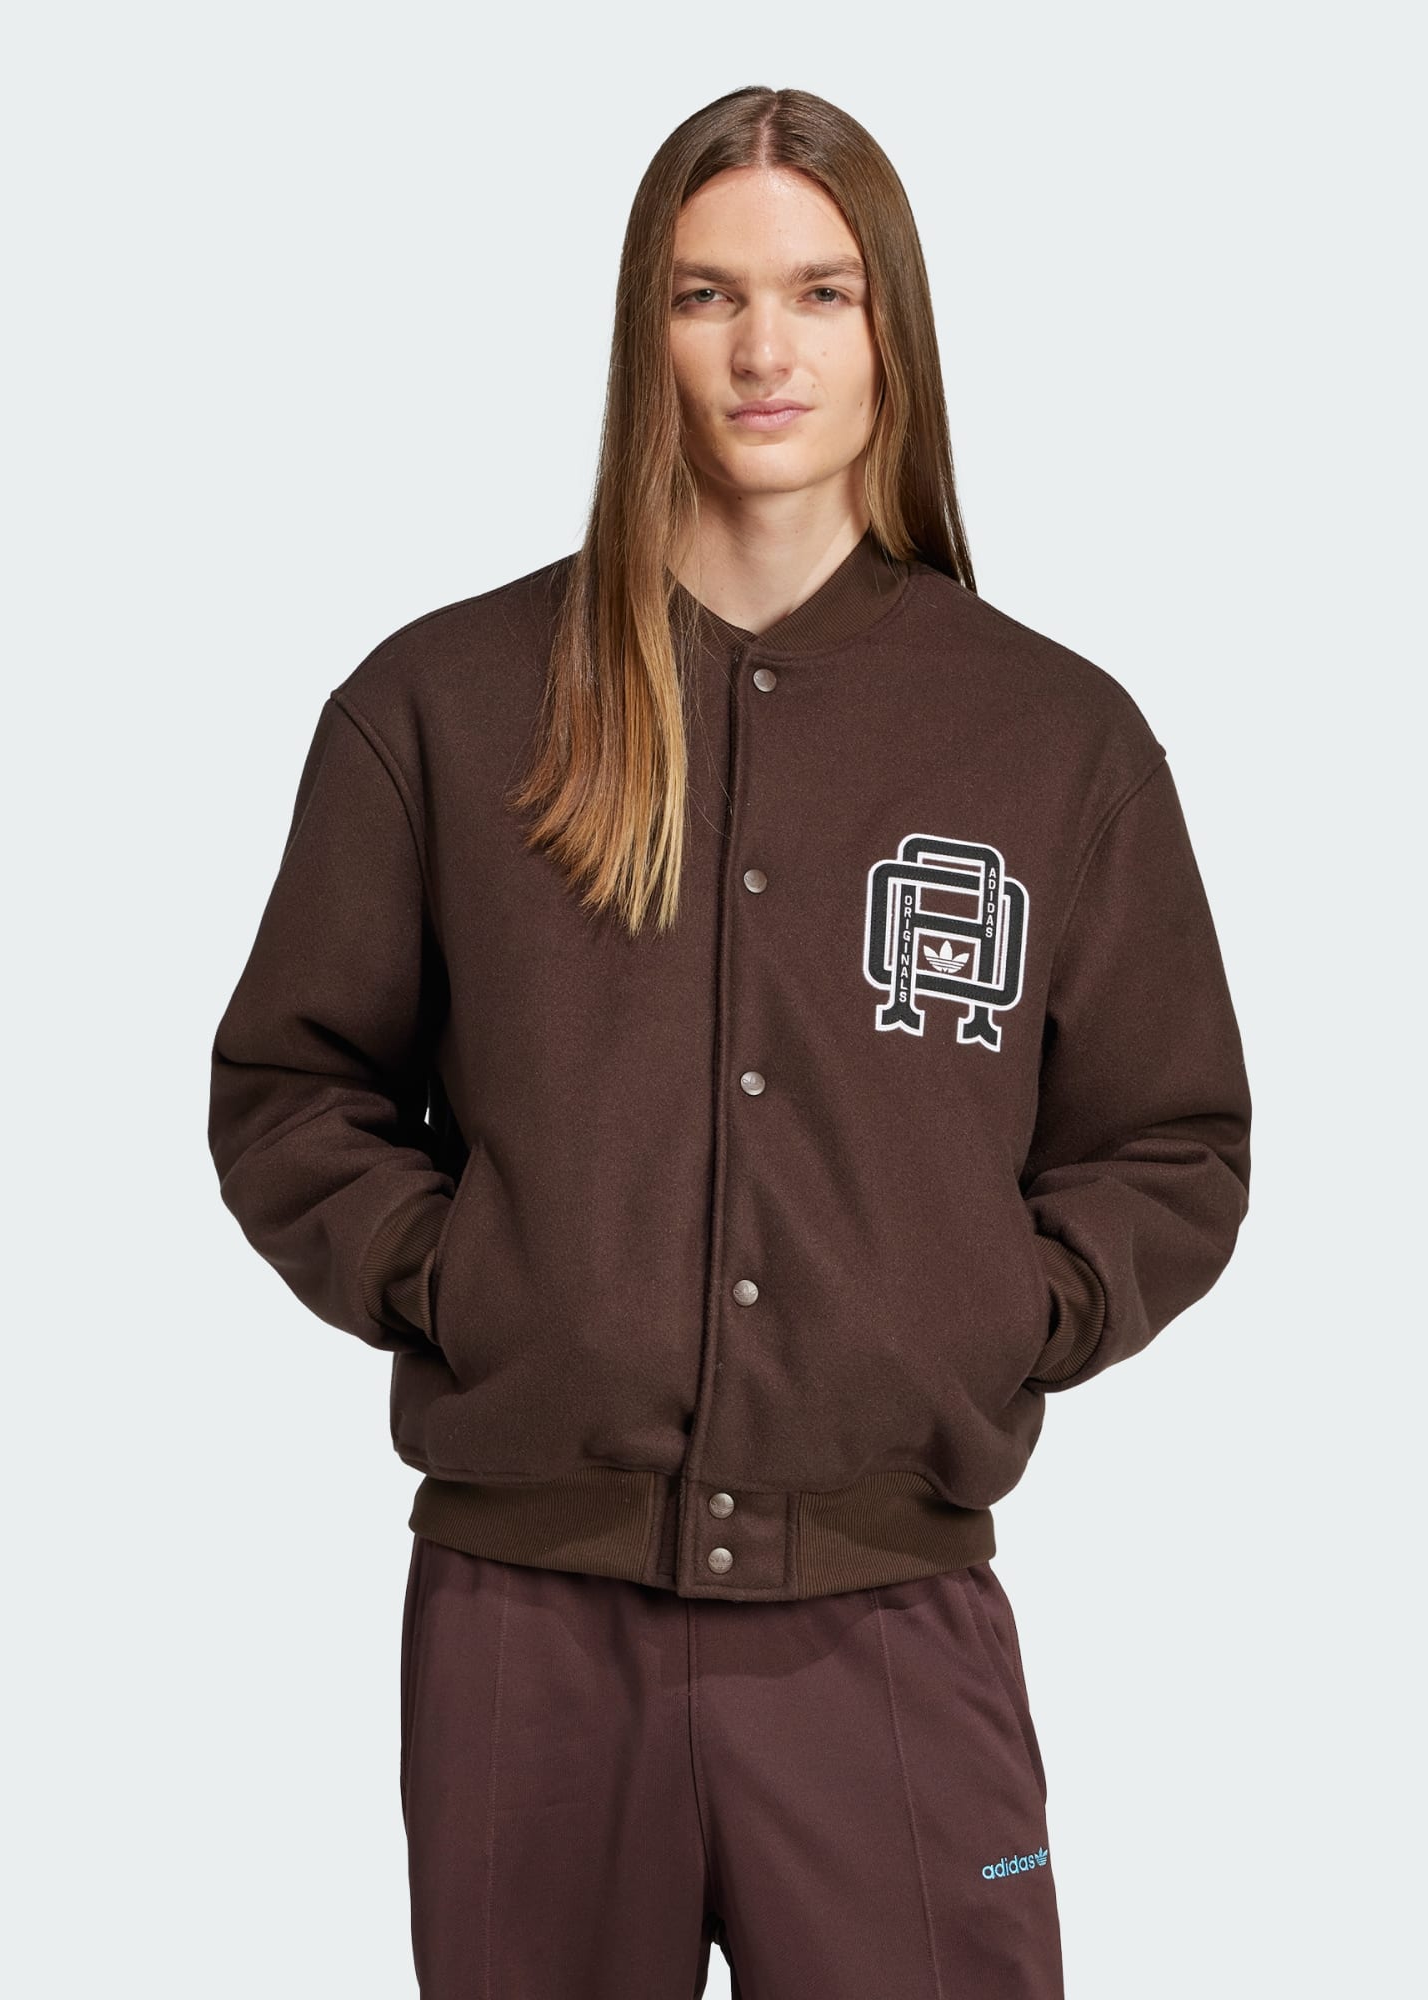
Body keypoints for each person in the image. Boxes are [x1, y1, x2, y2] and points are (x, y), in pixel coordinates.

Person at [208, 83, 1251, 1999]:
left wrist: (989, 1313)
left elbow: (1173, 1143)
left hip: (891, 1621)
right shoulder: (444, 706)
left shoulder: (1054, 739)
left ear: (891, 327)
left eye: (820, 291)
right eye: (708, 295)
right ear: (647, 331)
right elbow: (296, 1091)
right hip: (527, 1631)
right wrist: (468, 1278)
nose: (766, 349)